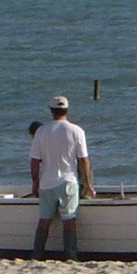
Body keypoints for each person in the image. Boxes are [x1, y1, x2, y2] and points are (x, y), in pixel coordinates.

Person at [29, 95, 95, 260]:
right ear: (67, 110)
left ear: (51, 111)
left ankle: (37, 255)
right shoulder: (76, 131)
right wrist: (88, 184)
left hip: (47, 183)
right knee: (69, 220)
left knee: (44, 220)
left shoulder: (41, 132)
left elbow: (35, 161)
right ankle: (70, 256)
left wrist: (35, 182)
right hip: (68, 181)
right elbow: (83, 160)